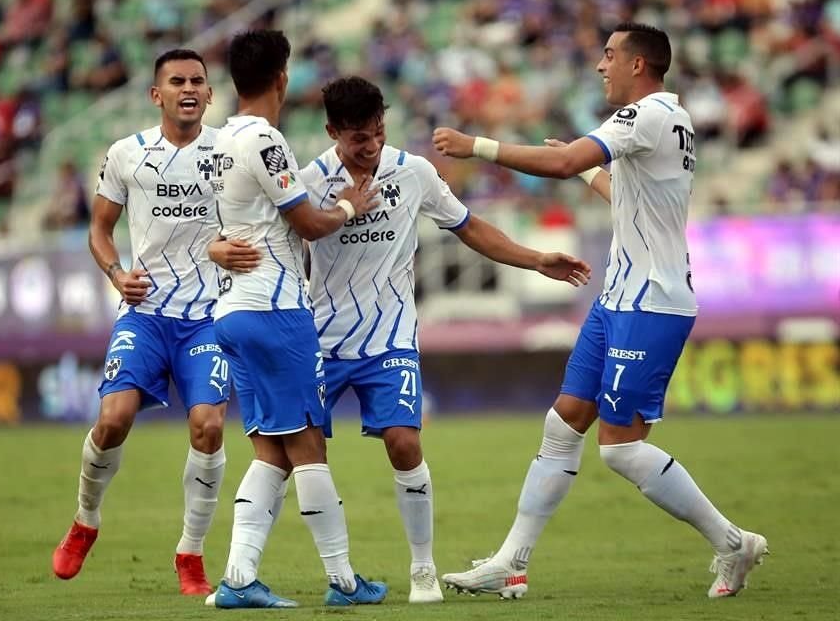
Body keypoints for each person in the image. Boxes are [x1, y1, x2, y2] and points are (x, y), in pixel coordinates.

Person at [210, 75, 592, 605]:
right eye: (358, 138)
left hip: (389, 339)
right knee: (285, 453)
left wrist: (535, 259)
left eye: (378, 132)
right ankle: (244, 574)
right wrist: (216, 249)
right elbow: (253, 226)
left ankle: (422, 569)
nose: (371, 146)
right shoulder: (307, 180)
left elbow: (469, 226)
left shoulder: (413, 173)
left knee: (404, 442)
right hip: (317, 338)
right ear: (332, 132)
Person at [432, 22, 767, 600]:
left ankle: (733, 542)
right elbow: (627, 195)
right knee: (562, 424)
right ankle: (510, 563)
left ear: (639, 65)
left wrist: (476, 147)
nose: (600, 65)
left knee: (621, 446)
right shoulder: (671, 121)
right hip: (617, 298)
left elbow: (561, 167)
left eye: (610, 55)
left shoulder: (648, 115)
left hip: (653, 303)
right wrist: (587, 167)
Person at [207, 30, 386, 609]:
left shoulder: (216, 141)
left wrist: (215, 247)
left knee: (270, 450)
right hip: (276, 310)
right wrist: (348, 206)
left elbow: (218, 226)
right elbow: (308, 223)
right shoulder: (265, 139)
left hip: (231, 312)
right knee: (309, 446)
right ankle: (343, 581)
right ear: (282, 77)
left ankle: (237, 578)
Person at [51, 49, 227, 597]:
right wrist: (115, 272)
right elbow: (99, 231)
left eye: (198, 80)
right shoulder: (128, 154)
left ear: (210, 93)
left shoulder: (229, 152)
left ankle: (190, 554)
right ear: (157, 94)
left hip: (209, 317)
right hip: (145, 312)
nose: (188, 89)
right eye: (177, 81)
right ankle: (85, 519)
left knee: (210, 426)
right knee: (113, 418)